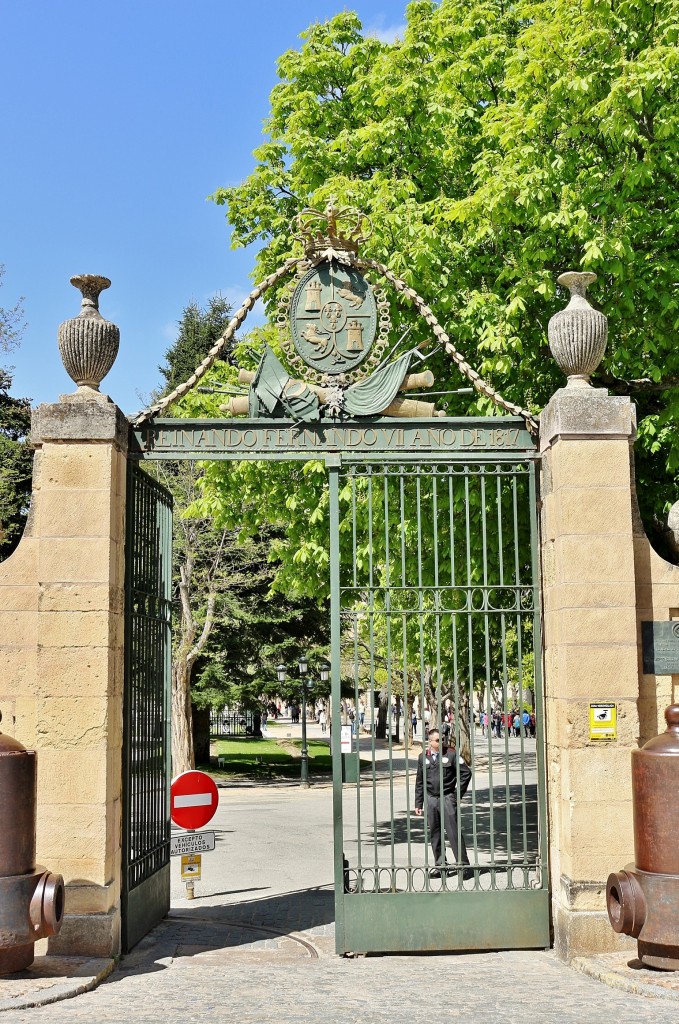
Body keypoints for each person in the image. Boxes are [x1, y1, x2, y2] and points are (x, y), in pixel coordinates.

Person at [414, 728, 473, 878]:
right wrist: (419, 803)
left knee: (453, 832)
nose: (441, 742)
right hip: (431, 799)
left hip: (447, 798)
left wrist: (457, 795)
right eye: (437, 740)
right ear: (430, 742)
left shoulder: (451, 754)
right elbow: (420, 782)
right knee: (435, 834)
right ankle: (441, 866)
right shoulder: (422, 758)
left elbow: (466, 773)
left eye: (442, 739)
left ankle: (463, 866)